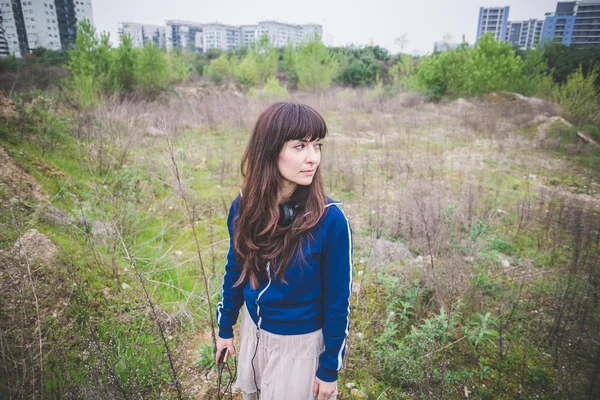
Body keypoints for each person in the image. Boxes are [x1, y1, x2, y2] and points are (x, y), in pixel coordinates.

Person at [215, 102, 353, 400]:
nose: (313, 158)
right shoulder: (244, 206)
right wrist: (226, 326)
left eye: (317, 146)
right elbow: (235, 269)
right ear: (270, 149)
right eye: (300, 146)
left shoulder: (331, 220)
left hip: (299, 348)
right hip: (254, 333)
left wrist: (329, 368)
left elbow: (337, 301)